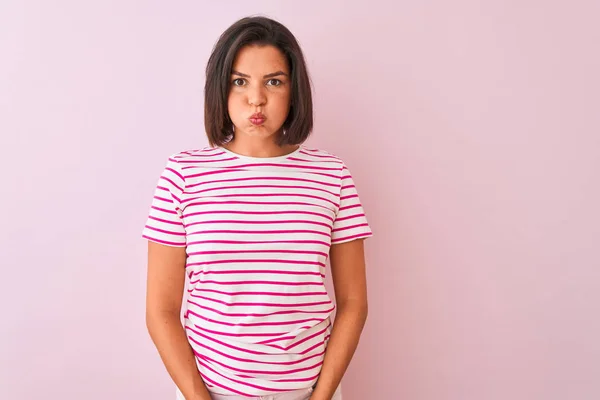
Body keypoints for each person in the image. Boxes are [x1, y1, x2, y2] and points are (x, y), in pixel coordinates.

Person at [142, 16, 373, 400]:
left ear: (294, 90)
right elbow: (160, 311)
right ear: (220, 88)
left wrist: (322, 396)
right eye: (240, 81)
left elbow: (354, 303)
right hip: (211, 392)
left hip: (309, 391)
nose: (256, 99)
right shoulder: (184, 174)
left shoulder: (332, 176)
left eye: (274, 81)